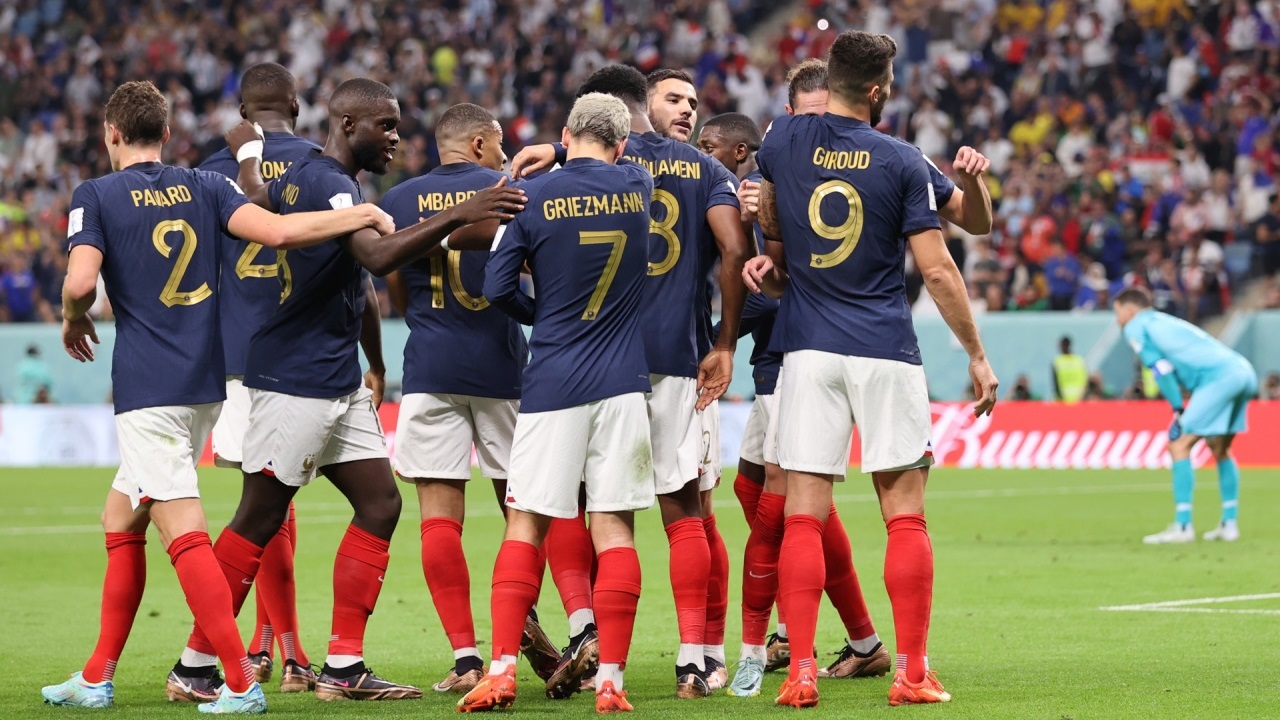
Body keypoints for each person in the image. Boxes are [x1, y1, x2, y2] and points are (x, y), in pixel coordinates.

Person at [41, 79, 396, 714]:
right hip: (206, 384)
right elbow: (279, 232)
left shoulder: (94, 194)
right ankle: (96, 675)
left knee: (186, 533)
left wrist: (72, 318)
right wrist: (360, 214)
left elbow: (81, 283)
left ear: (111, 134)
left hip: (148, 387)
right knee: (120, 518)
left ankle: (233, 678)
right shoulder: (207, 185)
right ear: (165, 134)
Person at [168, 77, 527, 703]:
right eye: (386, 126)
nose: (396, 138)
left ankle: (343, 666)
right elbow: (378, 259)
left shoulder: (315, 178)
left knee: (381, 503)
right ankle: (195, 664)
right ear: (348, 124)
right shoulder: (331, 182)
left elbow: (268, 204)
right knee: (260, 515)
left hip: (335, 377)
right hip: (296, 379)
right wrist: (458, 214)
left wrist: (248, 156)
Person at [743, 32, 998, 708]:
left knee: (803, 515)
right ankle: (911, 675)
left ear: (828, 81)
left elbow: (769, 207)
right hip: (884, 348)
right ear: (880, 90)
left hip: (807, 350)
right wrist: (975, 353)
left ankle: (800, 673)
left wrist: (776, 251)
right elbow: (941, 266)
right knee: (904, 515)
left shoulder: (783, 138)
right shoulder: (902, 159)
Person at [511, 64, 750, 698]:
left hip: (594, 357)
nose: (688, 109)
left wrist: (557, 148)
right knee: (684, 508)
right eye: (675, 98)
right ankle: (694, 659)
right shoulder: (706, 170)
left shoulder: (579, 168)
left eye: (693, 100)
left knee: (573, 500)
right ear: (643, 102)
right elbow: (734, 250)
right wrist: (726, 343)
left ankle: (586, 630)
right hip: (676, 356)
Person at [457, 92, 655, 715]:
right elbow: (637, 156)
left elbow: (495, 286)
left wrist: (541, 315)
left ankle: (499, 672)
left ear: (567, 133)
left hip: (553, 382)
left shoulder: (530, 196)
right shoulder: (638, 187)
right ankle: (612, 681)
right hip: (623, 383)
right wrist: (564, 150)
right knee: (614, 528)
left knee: (526, 522)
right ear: (620, 143)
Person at [380, 102, 559, 694]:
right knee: (525, 511)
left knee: (438, 516)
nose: (505, 154)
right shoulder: (513, 191)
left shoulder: (400, 199)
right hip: (502, 367)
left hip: (430, 366)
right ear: (480, 143)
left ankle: (465, 658)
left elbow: (396, 289)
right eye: (500, 142)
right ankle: (519, 626)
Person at [185, 61, 327, 699]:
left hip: (238, 358)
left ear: (242, 113)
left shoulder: (207, 174)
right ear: (296, 105)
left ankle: (270, 645)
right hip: (307, 352)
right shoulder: (319, 165)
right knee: (273, 505)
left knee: (262, 504)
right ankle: (282, 649)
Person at [1114, 287, 1258, 544]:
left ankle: (1183, 526)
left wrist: (1178, 409)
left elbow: (1161, 369)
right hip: (1243, 372)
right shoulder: (1164, 321)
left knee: (1179, 444)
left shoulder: (1135, 327)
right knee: (1220, 448)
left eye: (1118, 313)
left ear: (1130, 310)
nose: (1118, 321)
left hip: (1219, 379)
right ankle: (1229, 524)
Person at [1052, 336, 1088, 403]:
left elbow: (1055, 383)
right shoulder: (1079, 360)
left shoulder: (1057, 361)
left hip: (1064, 400)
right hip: (1078, 400)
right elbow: (1085, 382)